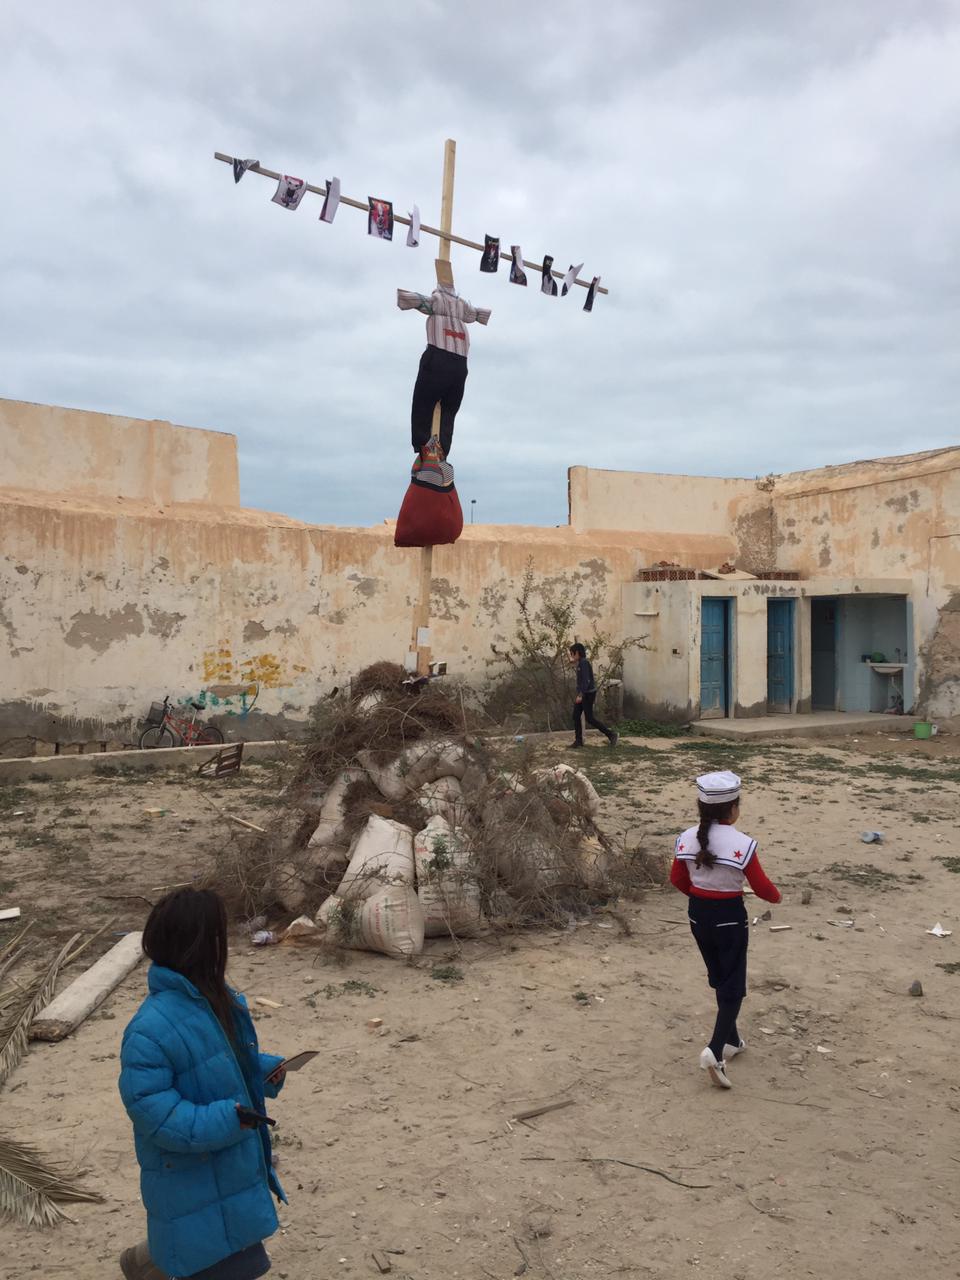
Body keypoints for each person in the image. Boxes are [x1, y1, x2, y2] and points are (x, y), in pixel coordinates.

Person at [118, 889, 287, 1280]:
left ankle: (145, 1263)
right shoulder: (149, 1029)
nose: (224, 946)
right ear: (197, 946)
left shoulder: (218, 999)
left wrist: (263, 1072)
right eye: (218, 936)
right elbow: (155, 1114)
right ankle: (150, 1263)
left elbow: (223, 1063)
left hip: (226, 1161)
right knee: (210, 1246)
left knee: (217, 1241)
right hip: (192, 1167)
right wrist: (229, 1120)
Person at [670, 771, 781, 1089]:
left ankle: (732, 1041)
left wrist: (700, 897)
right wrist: (777, 896)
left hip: (697, 915)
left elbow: (677, 879)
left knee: (720, 975)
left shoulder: (685, 838)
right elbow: (761, 887)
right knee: (734, 986)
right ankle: (715, 1050)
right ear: (733, 808)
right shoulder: (742, 844)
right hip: (729, 917)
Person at [567, 642, 618, 748]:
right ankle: (578, 741)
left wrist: (581, 695)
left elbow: (586, 680)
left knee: (590, 718)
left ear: (577, 653)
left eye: (572, 653)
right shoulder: (581, 662)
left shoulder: (584, 663)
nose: (571, 656)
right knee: (576, 716)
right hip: (584, 693)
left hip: (587, 694)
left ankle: (611, 734)